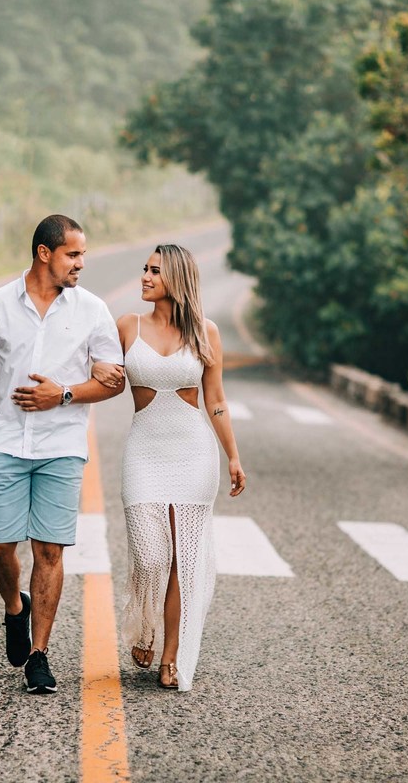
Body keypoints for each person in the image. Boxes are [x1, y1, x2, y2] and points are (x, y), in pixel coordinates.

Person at [0, 214, 125, 695]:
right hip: (6, 445)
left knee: (49, 551)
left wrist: (65, 394)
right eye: (73, 254)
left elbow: (113, 381)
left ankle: (39, 654)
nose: (80, 263)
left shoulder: (92, 310)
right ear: (44, 253)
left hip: (62, 448)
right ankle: (16, 607)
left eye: (83, 255)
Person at [107, 243, 246, 691]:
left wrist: (233, 455)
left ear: (177, 279)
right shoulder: (127, 326)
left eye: (155, 271)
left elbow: (216, 400)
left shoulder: (206, 332)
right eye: (144, 269)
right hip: (143, 452)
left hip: (193, 452)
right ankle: (144, 624)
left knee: (182, 559)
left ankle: (170, 657)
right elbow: (103, 378)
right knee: (150, 554)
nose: (145, 277)